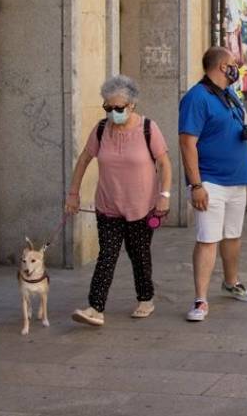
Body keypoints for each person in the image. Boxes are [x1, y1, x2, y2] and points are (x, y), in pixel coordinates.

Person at [65, 75, 172, 326]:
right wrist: (73, 194)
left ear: (132, 105)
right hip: (108, 205)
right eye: (108, 107)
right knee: (108, 254)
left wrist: (164, 197)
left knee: (139, 255)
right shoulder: (101, 130)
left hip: (142, 207)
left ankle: (146, 299)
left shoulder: (148, 128)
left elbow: (165, 164)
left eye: (118, 108)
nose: (113, 113)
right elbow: (83, 160)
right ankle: (95, 307)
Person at [179, 47, 247, 322]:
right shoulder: (197, 98)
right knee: (208, 239)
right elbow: (187, 143)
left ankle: (231, 282)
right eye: (232, 64)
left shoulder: (230, 97)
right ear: (219, 66)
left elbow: (241, 133)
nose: (235, 68)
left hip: (237, 179)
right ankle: (200, 299)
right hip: (210, 180)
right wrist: (196, 185)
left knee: (232, 236)